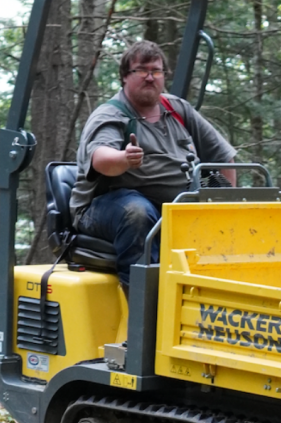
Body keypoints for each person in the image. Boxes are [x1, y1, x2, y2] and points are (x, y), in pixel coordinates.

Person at [69, 41, 236, 293]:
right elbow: (101, 159)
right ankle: (142, 304)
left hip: (174, 206)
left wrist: (226, 205)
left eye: (156, 71)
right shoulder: (112, 114)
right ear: (125, 76)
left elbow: (223, 156)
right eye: (141, 70)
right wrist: (124, 158)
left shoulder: (177, 109)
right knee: (137, 212)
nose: (150, 77)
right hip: (104, 209)